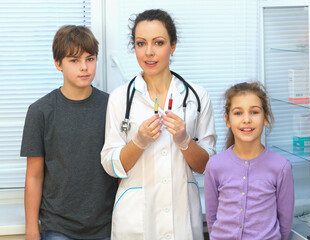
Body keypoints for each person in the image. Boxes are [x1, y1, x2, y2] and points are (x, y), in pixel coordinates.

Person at [101, 9, 216, 240]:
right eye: (141, 43)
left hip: (181, 216)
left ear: (172, 46)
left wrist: (184, 141)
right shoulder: (120, 98)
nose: (149, 52)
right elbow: (111, 165)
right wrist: (139, 141)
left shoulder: (197, 97)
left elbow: (207, 166)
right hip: (135, 219)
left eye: (159, 42)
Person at [20, 25, 118, 240]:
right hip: (57, 226)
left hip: (106, 224)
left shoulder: (113, 106)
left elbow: (120, 168)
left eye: (90, 59)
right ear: (58, 64)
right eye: (74, 60)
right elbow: (34, 176)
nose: (84, 67)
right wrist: (31, 229)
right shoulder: (40, 111)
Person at [204, 82, 294, 240]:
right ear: (227, 120)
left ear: (265, 118)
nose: (246, 119)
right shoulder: (215, 165)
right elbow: (211, 217)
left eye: (254, 112)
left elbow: (285, 221)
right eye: (238, 113)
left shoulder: (281, 167)